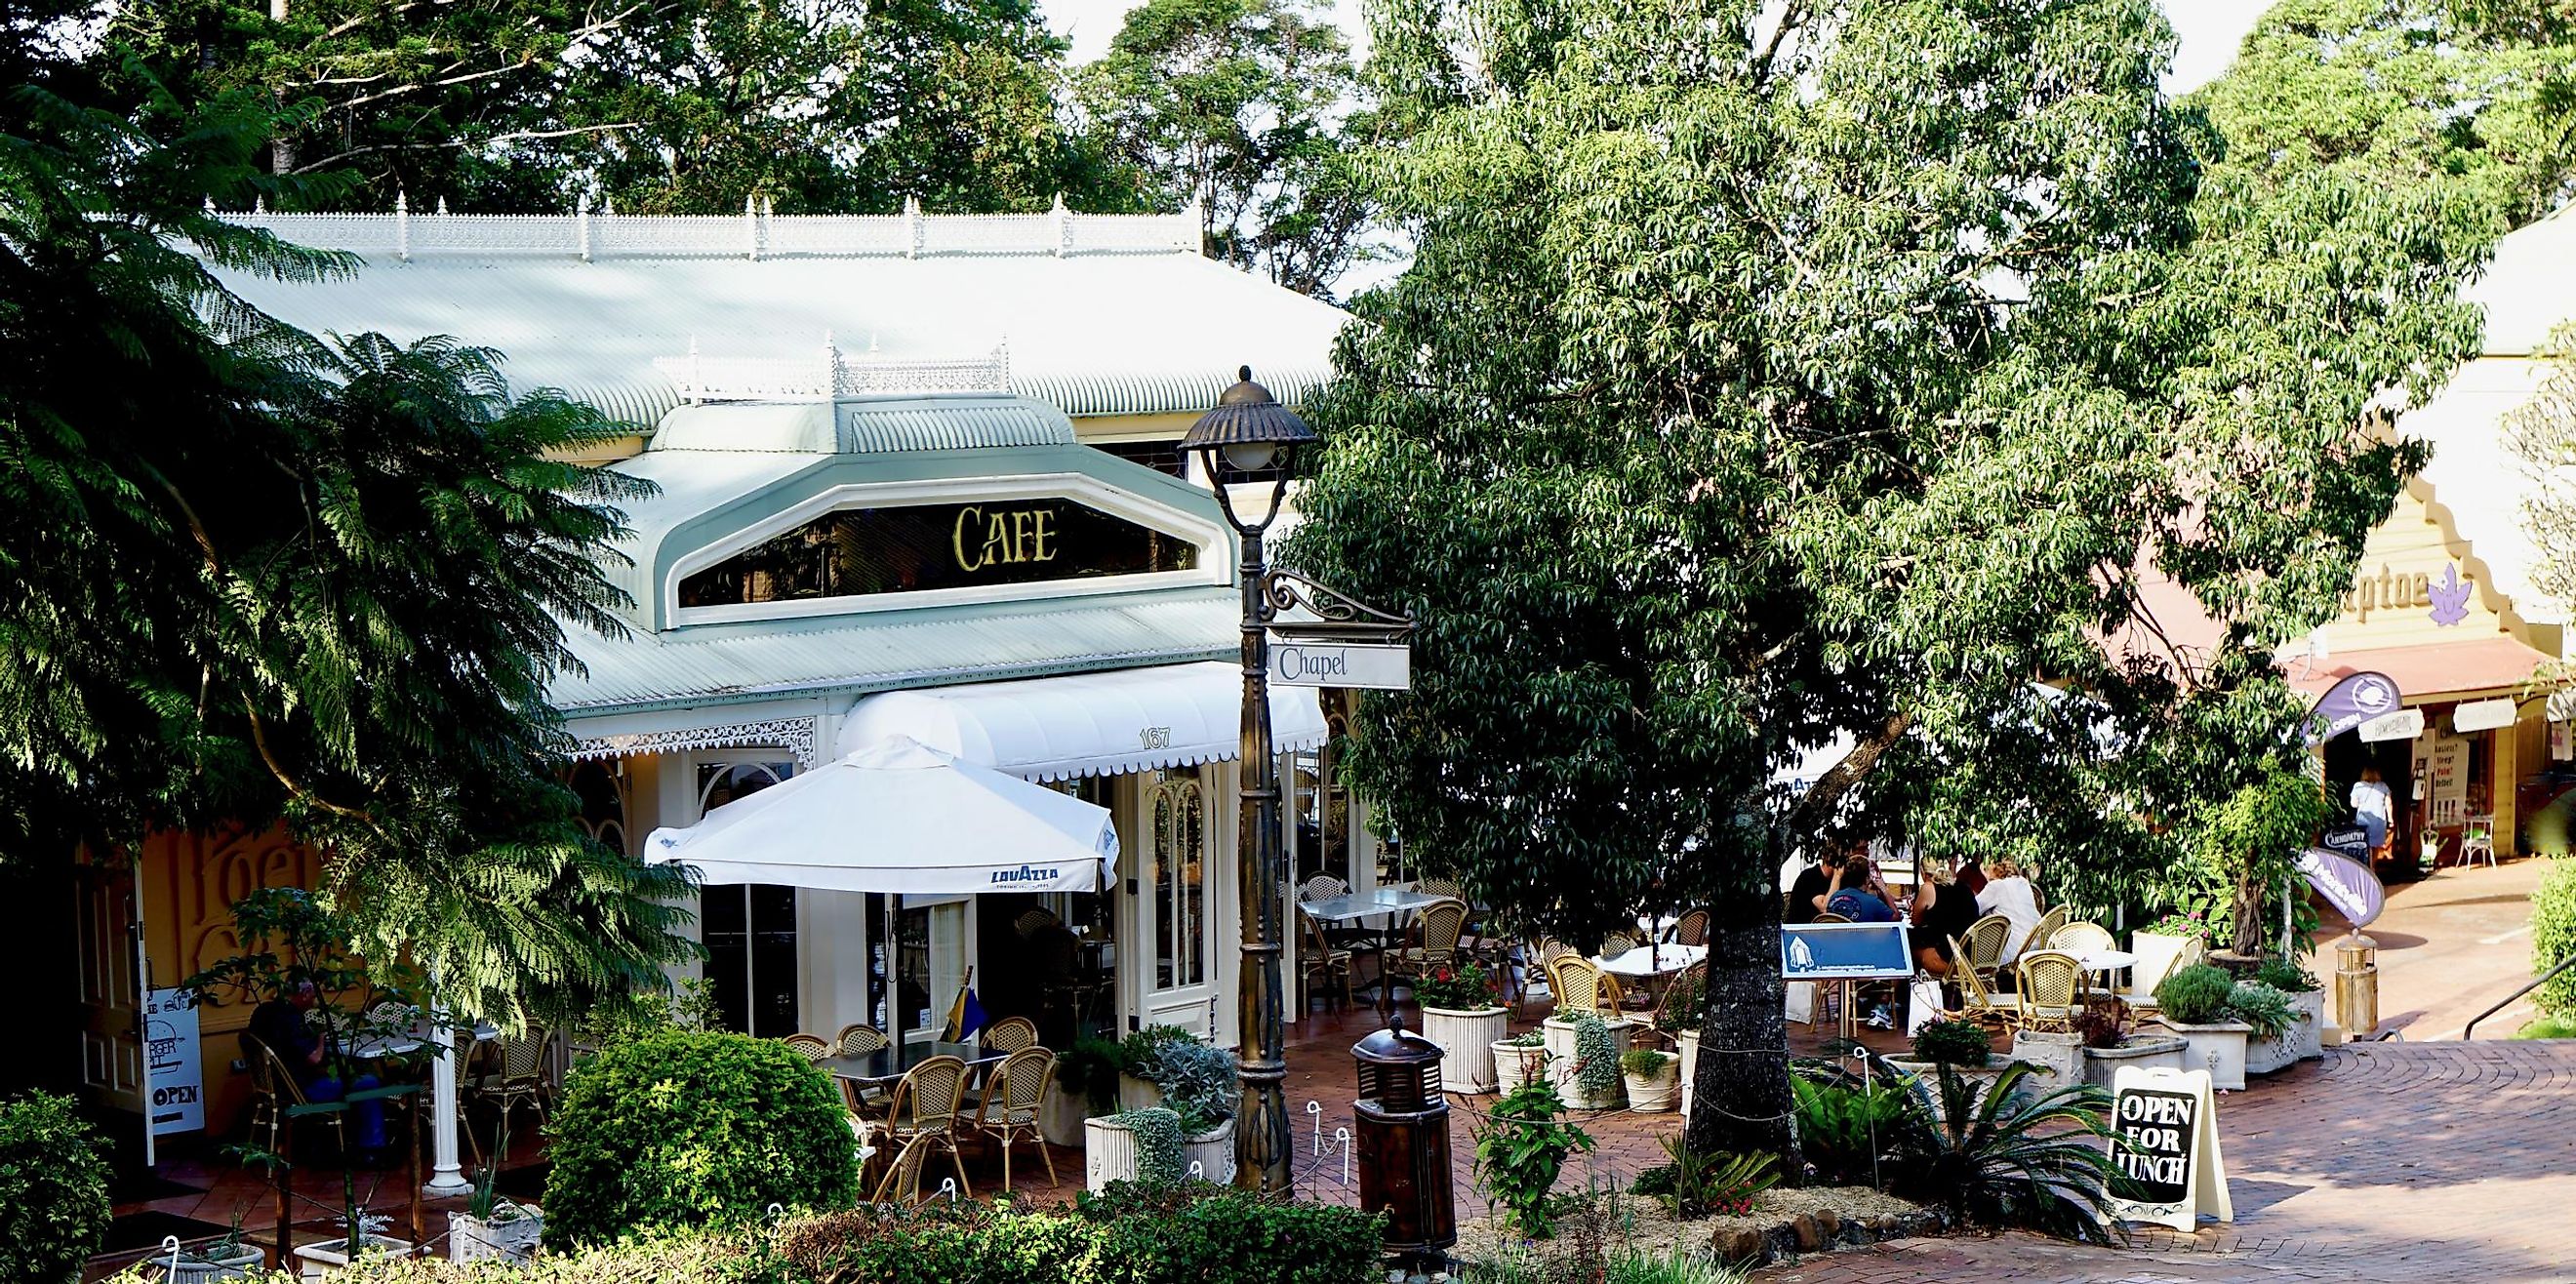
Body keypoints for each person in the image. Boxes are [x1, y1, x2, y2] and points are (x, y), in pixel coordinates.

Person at [246, 980, 387, 1158]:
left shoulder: (263, 1012)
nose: (313, 1001)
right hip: (300, 1091)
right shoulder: (292, 1019)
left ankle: (355, 1140)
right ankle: (372, 1148)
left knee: (351, 1078)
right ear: (304, 995)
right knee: (369, 1082)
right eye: (313, 996)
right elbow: (314, 1058)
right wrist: (321, 1038)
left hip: (275, 1088)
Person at [1910, 860, 1981, 978]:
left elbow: (1916, 921)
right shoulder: (1965, 887)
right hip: (1972, 956)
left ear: (1922, 872)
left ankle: (1915, 991)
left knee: (1908, 949)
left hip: (1948, 958)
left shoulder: (1928, 887)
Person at [1975, 859, 2043, 964]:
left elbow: (1973, 909)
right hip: (2037, 944)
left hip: (2016, 952)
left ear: (1992, 869)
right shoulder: (2022, 882)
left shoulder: (1996, 886)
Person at [1825, 856, 1899, 923]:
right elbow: (1896, 917)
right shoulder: (1872, 902)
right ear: (1867, 879)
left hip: (1834, 937)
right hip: (1860, 937)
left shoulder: (1834, 896)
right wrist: (1884, 890)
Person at [1785, 848, 1847, 924]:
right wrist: (1837, 877)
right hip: (1803, 930)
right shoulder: (1809, 877)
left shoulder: (1843, 880)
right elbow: (1825, 907)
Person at [2351, 765, 2395, 858]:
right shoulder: (2383, 786)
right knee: (2375, 847)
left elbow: (2354, 804)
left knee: (2363, 846)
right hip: (2378, 823)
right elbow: (2388, 803)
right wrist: (2391, 819)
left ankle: (2365, 867)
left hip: (2363, 822)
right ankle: (2372, 867)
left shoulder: (2358, 786)